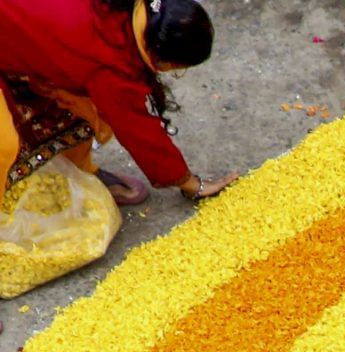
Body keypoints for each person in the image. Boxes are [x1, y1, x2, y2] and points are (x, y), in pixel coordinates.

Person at [1, 0, 230, 210]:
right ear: (161, 57)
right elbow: (138, 130)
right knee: (7, 144)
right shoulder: (112, 65)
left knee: (75, 97)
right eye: (176, 69)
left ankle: (77, 171)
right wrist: (191, 184)